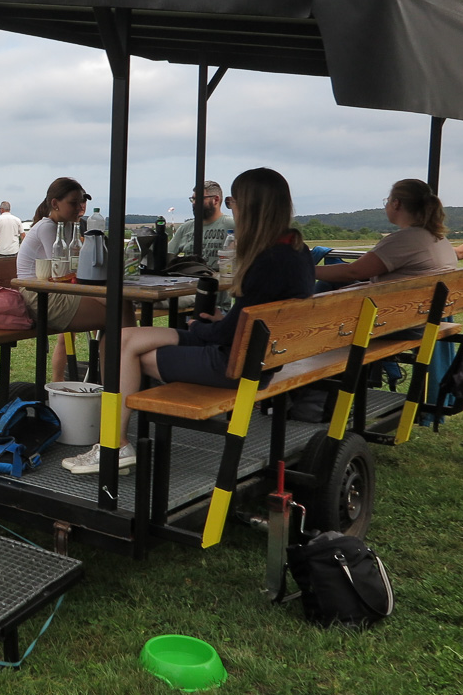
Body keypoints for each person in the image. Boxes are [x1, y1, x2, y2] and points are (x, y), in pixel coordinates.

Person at [63, 167, 314, 475]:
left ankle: (114, 444)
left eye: (234, 201)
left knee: (123, 350)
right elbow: (246, 320)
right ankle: (115, 439)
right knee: (120, 339)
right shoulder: (296, 252)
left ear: (250, 206)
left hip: (234, 365)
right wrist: (217, 323)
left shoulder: (268, 261)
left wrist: (203, 327)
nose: (233, 208)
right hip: (256, 356)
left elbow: (228, 334)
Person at [18, 178, 135, 381]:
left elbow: (73, 272)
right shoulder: (47, 227)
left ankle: (115, 381)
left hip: (58, 291)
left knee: (121, 306)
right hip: (39, 296)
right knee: (118, 312)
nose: (80, 207)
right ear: (55, 203)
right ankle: (119, 381)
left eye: (82, 202)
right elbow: (63, 270)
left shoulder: (67, 226)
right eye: (73, 203)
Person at [314, 179, 457, 285]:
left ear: (396, 204)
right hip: (420, 308)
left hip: (393, 311)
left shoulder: (405, 240)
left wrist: (305, 270)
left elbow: (353, 271)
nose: (386, 206)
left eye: (387, 201)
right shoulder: (437, 237)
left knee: (326, 284)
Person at [168, 180, 233, 270]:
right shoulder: (185, 228)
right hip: (190, 277)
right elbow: (166, 255)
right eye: (193, 199)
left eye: (199, 199)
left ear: (216, 200)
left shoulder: (232, 225)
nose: (194, 203)